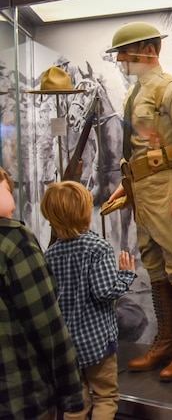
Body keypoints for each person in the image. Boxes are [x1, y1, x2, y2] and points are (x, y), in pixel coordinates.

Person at [102, 21, 172, 382]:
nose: (119, 59)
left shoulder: (171, 91)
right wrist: (126, 187)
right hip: (142, 191)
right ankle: (166, 340)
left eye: (124, 51)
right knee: (155, 265)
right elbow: (134, 149)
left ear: (147, 50)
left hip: (166, 190)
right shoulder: (135, 94)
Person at [42, 180, 137, 419]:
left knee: (77, 400)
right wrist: (125, 275)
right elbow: (104, 292)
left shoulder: (51, 253)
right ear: (85, 212)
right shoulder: (98, 248)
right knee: (105, 396)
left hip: (68, 345)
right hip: (97, 343)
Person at [0, 166, 85, 418]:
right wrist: (71, 395)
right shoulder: (14, 241)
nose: (14, 203)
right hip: (21, 399)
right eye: (7, 189)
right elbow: (48, 327)